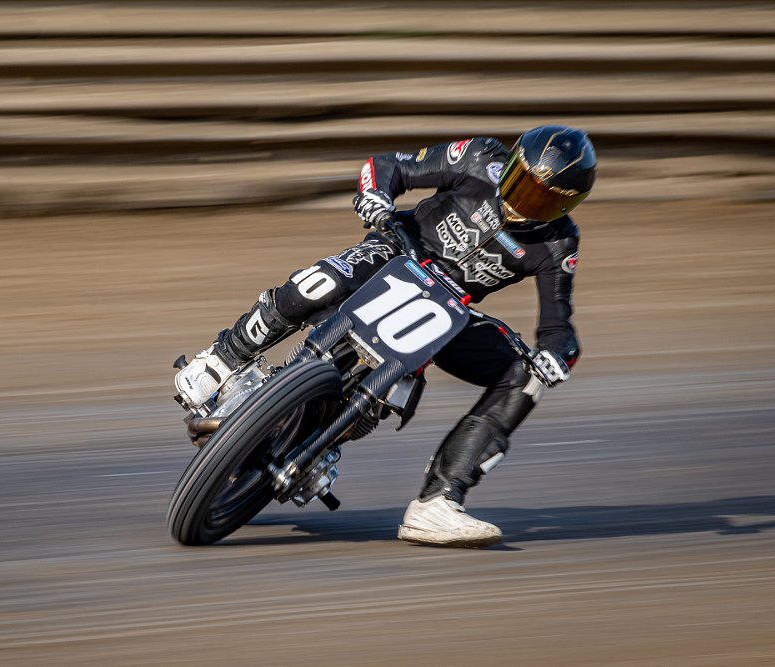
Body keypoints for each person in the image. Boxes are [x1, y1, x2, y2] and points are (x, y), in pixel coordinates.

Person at [174, 125, 596, 547]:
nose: (526, 200)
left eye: (545, 197)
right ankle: (223, 357)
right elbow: (388, 166)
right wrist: (377, 196)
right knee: (317, 283)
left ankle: (438, 502)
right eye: (523, 182)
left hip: (450, 310)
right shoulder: (478, 158)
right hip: (396, 252)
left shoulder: (559, 243)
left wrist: (557, 356)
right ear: (512, 163)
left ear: (567, 205)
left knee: (527, 376)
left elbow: (558, 327)